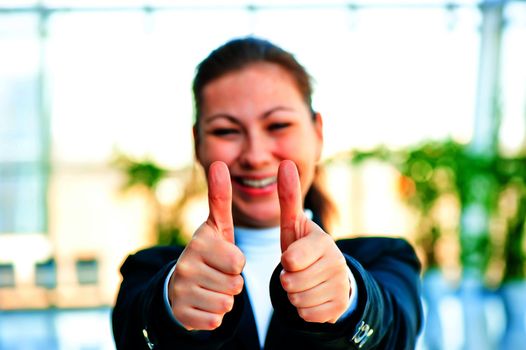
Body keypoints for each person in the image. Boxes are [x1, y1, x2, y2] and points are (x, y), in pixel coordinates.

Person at [112, 37, 423, 350]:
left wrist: (351, 300)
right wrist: (171, 309)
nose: (255, 155)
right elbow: (135, 332)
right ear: (197, 145)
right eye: (225, 130)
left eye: (277, 125)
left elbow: (394, 332)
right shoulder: (148, 273)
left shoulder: (386, 260)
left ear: (318, 134)